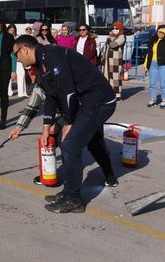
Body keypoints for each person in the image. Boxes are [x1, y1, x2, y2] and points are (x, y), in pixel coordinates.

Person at [13, 35, 118, 213]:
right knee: (65, 143)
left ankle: (75, 200)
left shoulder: (52, 55)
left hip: (99, 101)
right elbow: (52, 96)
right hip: (85, 103)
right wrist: (46, 128)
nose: (17, 59)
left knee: (70, 145)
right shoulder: (40, 63)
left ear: (24, 49)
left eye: (17, 54)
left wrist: (69, 122)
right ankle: (69, 191)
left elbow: (68, 92)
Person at [9, 70, 117, 188]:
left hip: (86, 113)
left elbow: (75, 106)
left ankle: (109, 174)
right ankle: (48, 174)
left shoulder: (62, 81)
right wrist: (19, 127)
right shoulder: (40, 87)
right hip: (63, 117)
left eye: (32, 71)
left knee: (95, 145)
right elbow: (31, 107)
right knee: (48, 143)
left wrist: (58, 124)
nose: (30, 74)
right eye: (28, 72)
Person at [144, 25, 165, 108]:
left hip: (164, 64)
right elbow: (149, 54)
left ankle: (164, 100)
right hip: (153, 64)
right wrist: (146, 65)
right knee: (152, 84)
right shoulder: (153, 41)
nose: (161, 33)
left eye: (163, 32)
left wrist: (164, 30)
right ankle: (152, 99)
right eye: (159, 31)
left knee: (163, 84)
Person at [101, 22, 126, 101]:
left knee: (115, 78)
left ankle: (118, 95)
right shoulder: (111, 37)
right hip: (107, 61)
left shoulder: (122, 37)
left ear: (120, 29)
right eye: (113, 28)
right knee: (107, 77)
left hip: (115, 61)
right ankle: (109, 94)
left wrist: (108, 40)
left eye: (116, 29)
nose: (114, 30)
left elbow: (113, 45)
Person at [6, 24, 27, 98]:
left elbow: (21, 48)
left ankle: (22, 92)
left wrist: (20, 57)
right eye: (10, 30)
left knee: (22, 73)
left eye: (13, 30)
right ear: (8, 30)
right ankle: (9, 91)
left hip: (18, 58)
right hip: (8, 58)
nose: (12, 32)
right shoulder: (5, 38)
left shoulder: (18, 38)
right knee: (8, 75)